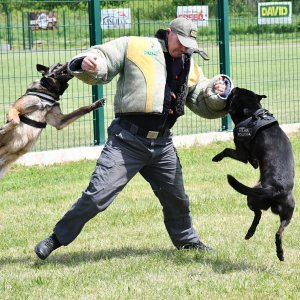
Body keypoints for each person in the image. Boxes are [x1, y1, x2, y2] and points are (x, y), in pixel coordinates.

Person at [34, 17, 232, 260]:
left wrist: (216, 91)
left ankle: (188, 242)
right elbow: (103, 59)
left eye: (188, 45)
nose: (183, 49)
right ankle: (56, 239)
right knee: (97, 196)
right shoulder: (136, 46)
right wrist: (89, 63)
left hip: (162, 145)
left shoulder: (188, 62)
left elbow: (200, 95)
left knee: (177, 199)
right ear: (168, 33)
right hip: (126, 141)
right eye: (180, 43)